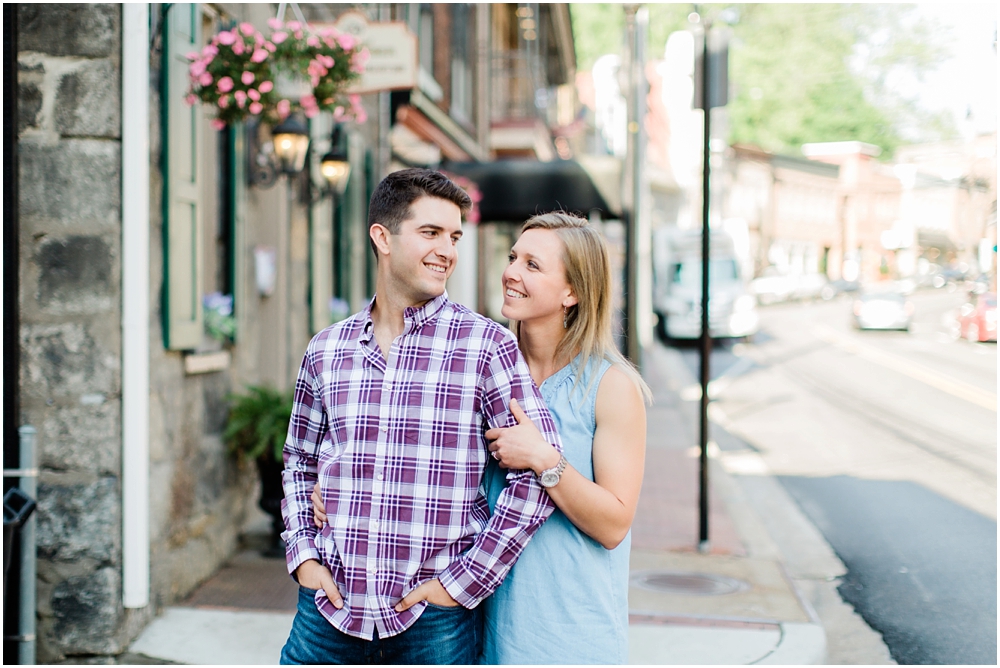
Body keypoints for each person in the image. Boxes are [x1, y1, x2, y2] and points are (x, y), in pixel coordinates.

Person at [314, 211, 650, 664]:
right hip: (485, 622)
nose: (511, 271)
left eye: (533, 265)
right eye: (513, 257)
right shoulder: (480, 363)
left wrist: (545, 460)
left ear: (571, 291)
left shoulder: (611, 387)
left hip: (572, 631)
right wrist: (337, 489)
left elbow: (614, 524)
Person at [280, 168, 563, 665]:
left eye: (454, 236)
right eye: (430, 233)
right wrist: (303, 555)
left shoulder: (485, 346)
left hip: (432, 625)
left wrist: (461, 585)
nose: (448, 250)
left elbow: (536, 478)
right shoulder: (327, 349)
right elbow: (299, 463)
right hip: (327, 612)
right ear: (382, 238)